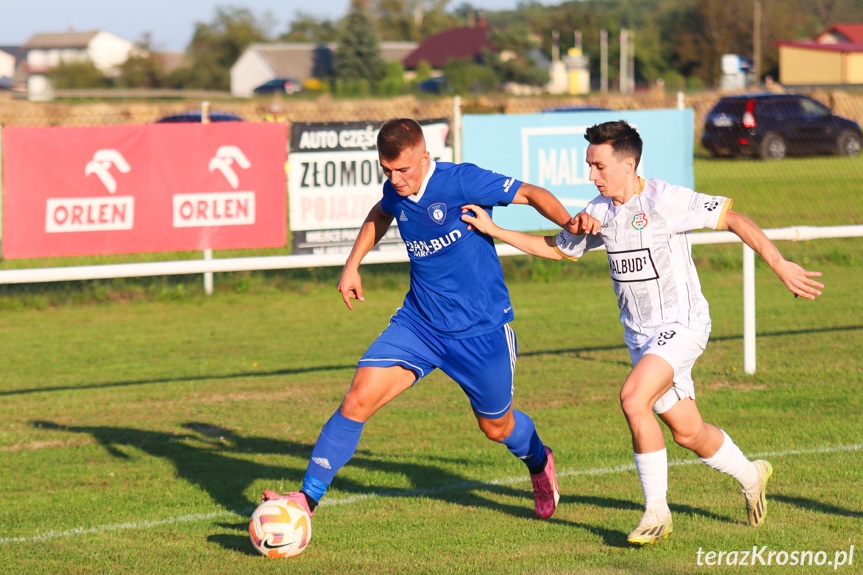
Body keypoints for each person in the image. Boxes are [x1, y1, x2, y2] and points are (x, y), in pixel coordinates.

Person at [460, 120, 824, 545]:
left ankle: (656, 512)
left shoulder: (664, 199)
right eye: (588, 166)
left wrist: (779, 264)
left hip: (683, 325)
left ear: (628, 163)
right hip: (641, 340)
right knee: (688, 432)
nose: (590, 176)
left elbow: (733, 219)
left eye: (598, 166)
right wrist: (495, 230)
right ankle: (751, 474)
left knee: (633, 399)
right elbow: (555, 249)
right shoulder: (598, 211)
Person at [263, 117, 591, 525]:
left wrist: (567, 224)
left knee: (496, 428)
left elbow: (530, 192)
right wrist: (352, 264)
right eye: (387, 170)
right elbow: (381, 214)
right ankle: (304, 501)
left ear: (425, 157)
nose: (395, 180)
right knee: (357, 398)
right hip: (419, 325)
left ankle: (539, 461)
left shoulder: (462, 181)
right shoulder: (395, 191)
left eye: (402, 170)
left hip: (480, 330)